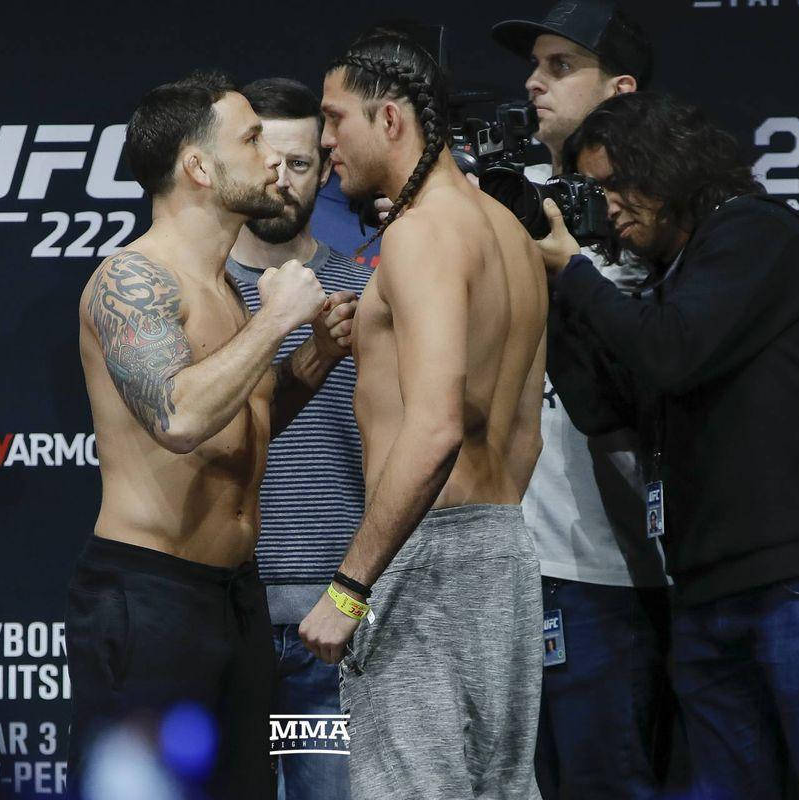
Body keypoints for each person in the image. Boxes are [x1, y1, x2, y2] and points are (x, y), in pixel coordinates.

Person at [539, 90, 799, 798]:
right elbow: (605, 409)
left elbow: (673, 352)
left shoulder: (756, 232)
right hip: (705, 586)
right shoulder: (668, 278)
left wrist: (576, 275)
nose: (607, 207)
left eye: (615, 184)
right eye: (594, 192)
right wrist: (550, 294)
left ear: (665, 165)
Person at [64, 69, 356, 800]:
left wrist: (315, 358)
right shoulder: (131, 279)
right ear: (198, 166)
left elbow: (241, 424)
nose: (273, 157)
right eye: (252, 140)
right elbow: (180, 418)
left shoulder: (223, 287)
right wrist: (277, 320)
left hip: (234, 595)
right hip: (151, 598)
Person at [299, 31, 549, 800]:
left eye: (335, 118)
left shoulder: (419, 233)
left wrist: (350, 587)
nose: (324, 141)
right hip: (504, 550)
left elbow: (436, 426)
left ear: (391, 119)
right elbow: (524, 436)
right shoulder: (510, 233)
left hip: (426, 554)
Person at [491, 4, 678, 797]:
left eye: (561, 66)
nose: (534, 83)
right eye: (534, 66)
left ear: (621, 89)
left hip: (608, 567)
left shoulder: (667, 214)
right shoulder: (499, 198)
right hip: (497, 566)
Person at [225, 76, 369, 800]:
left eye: (302, 163)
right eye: (268, 160)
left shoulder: (364, 294)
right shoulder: (196, 293)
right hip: (227, 609)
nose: (281, 180)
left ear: (327, 169)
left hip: (334, 614)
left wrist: (352, 596)